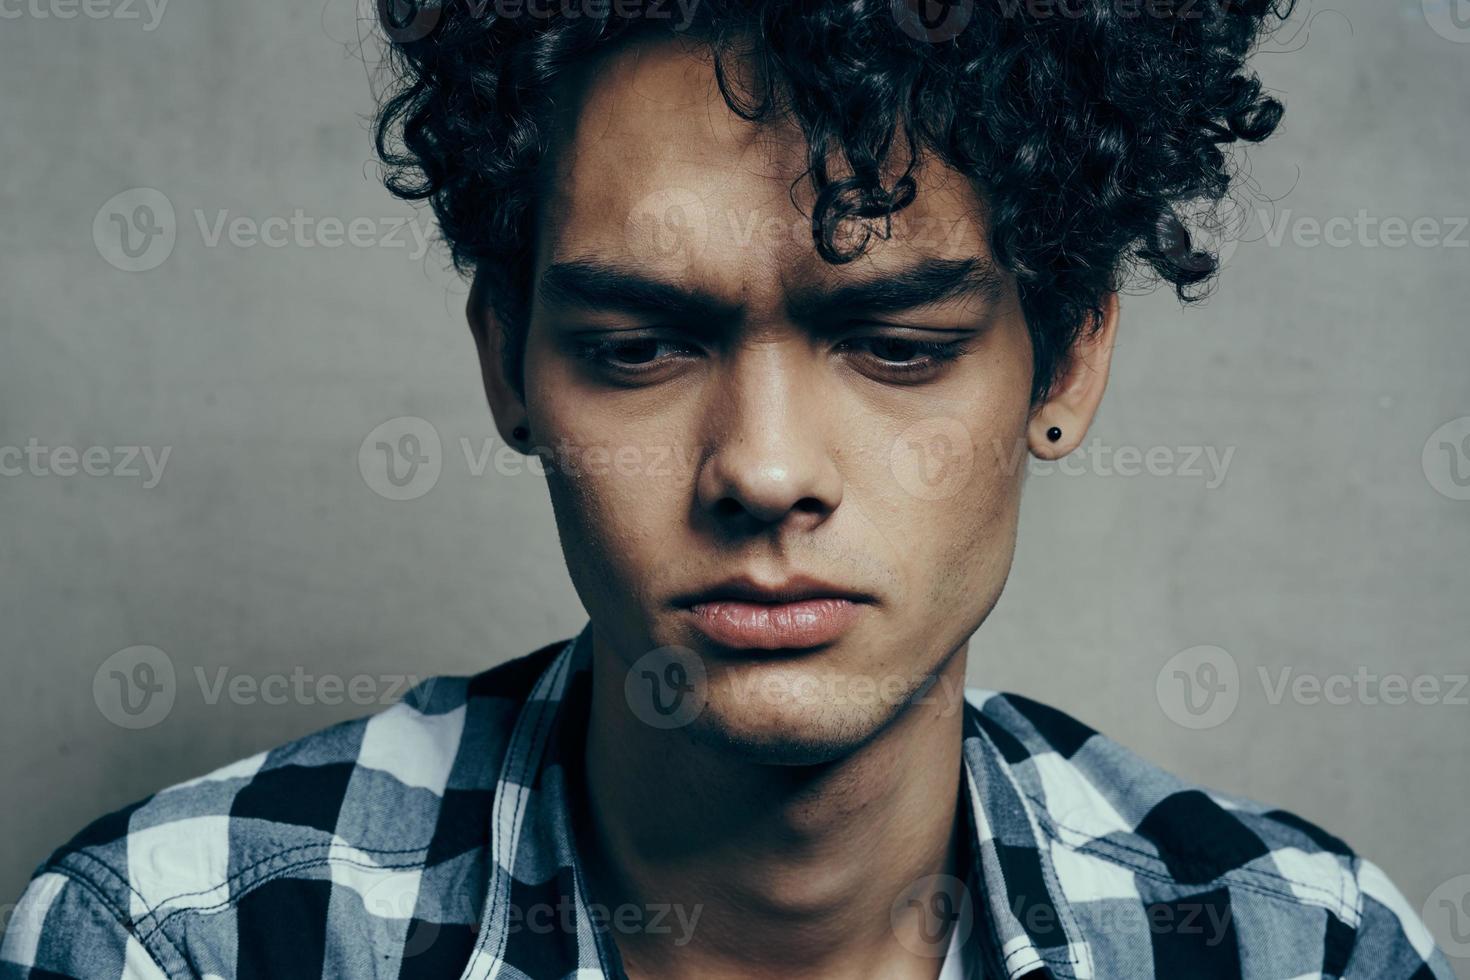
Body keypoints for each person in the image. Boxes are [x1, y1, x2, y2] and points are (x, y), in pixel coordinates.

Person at [2, 0, 1453, 977]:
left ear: (1063, 363)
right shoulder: (186, 940)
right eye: (637, 347)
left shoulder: (1296, 947)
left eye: (895, 346)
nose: (762, 470)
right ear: (507, 363)